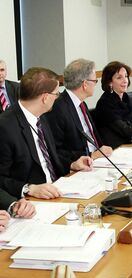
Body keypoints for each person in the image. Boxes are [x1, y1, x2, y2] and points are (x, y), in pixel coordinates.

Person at [0, 67, 92, 201]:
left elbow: (49, 156)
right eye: (56, 94)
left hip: (58, 190)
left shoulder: (42, 116)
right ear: (45, 98)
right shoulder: (5, 127)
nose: (58, 98)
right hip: (32, 202)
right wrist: (29, 188)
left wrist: (72, 164)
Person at [45, 59, 113, 161]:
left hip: (99, 159)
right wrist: (91, 156)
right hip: (79, 165)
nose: (95, 84)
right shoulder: (58, 108)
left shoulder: (82, 104)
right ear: (85, 84)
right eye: (95, 81)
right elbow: (56, 151)